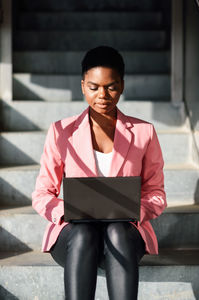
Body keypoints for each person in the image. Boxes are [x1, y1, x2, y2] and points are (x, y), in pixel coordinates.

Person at [32, 46, 167, 300]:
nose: (102, 95)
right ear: (83, 86)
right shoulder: (61, 131)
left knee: (117, 228)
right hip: (76, 238)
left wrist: (134, 210)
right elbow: (42, 194)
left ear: (122, 86)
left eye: (111, 87)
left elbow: (156, 194)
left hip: (125, 235)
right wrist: (68, 212)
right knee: (84, 232)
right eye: (93, 87)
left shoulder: (144, 133)